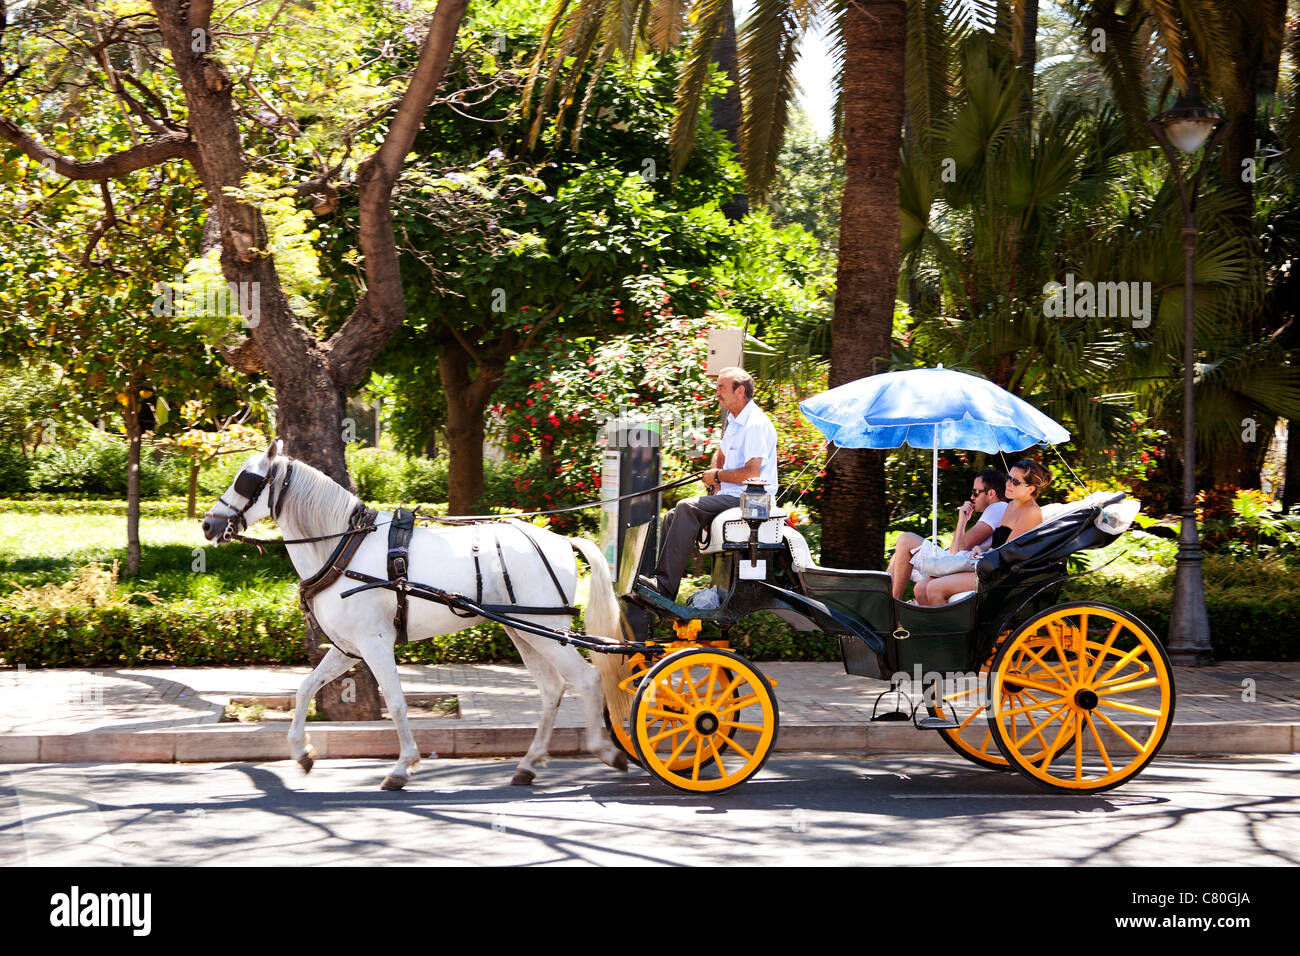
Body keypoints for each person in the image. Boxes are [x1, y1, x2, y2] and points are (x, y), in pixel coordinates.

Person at [638, 367, 777, 601]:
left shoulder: (755, 424)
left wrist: (719, 476)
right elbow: (720, 456)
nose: (716, 393)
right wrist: (716, 482)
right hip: (732, 495)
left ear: (740, 390)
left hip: (750, 499)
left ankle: (663, 587)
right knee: (671, 515)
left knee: (687, 507)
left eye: (721, 388)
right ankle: (660, 586)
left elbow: (752, 472)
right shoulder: (735, 421)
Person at [918, 459, 1053, 606]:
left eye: (1015, 482)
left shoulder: (1030, 513)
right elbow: (999, 543)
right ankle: (927, 627)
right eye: (1008, 478)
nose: (1007, 484)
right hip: (991, 565)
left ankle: (947, 628)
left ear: (1030, 489)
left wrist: (984, 555)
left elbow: (1008, 554)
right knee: (921, 587)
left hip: (1002, 574)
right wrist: (981, 549)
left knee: (934, 588)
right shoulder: (1012, 505)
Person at [887, 469, 1008, 601]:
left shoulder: (998, 507)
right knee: (897, 558)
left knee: (906, 540)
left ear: (991, 493)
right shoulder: (995, 511)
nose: (972, 497)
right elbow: (956, 550)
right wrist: (962, 521)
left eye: (976, 492)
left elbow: (963, 545)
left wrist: (961, 522)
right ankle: (885, 604)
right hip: (957, 563)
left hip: (961, 565)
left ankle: (893, 606)